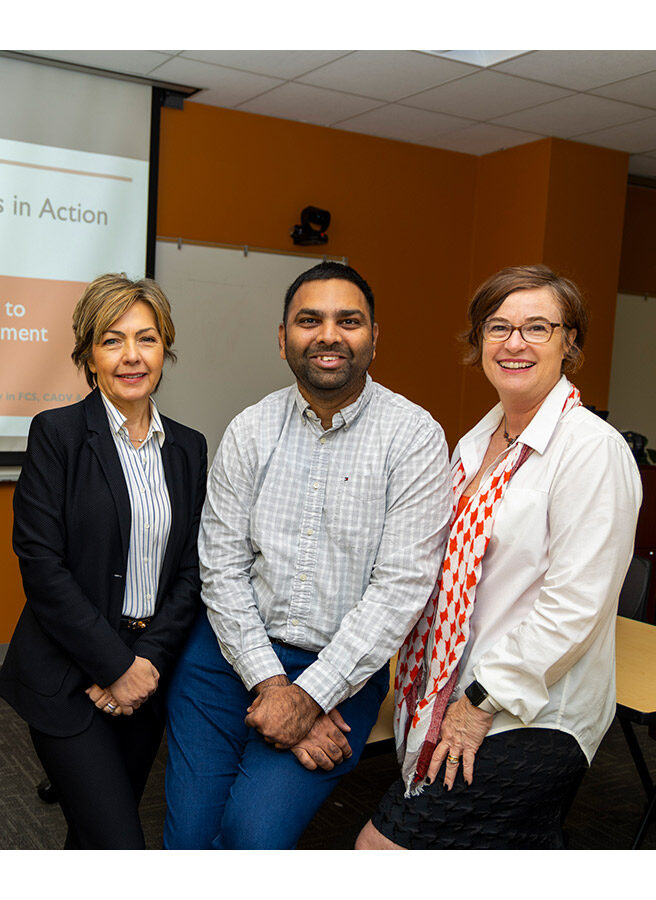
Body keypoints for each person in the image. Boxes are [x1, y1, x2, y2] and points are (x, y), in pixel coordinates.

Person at [162, 261, 452, 849]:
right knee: (188, 840)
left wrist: (312, 694)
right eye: (308, 320)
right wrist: (273, 686)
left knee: (252, 839)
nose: (328, 335)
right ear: (283, 338)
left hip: (341, 675)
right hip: (223, 659)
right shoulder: (250, 429)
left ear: (374, 336)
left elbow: (399, 589)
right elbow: (220, 567)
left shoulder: (414, 435)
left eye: (349, 320)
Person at [357, 265, 642, 850]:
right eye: (498, 327)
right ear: (478, 342)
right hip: (458, 690)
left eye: (538, 327)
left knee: (380, 851)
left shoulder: (591, 451)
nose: (515, 343)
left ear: (571, 342)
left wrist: (481, 702)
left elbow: (575, 607)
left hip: (526, 714)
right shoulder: (473, 443)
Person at [0, 273, 207, 850]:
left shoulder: (188, 447)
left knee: (92, 838)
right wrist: (115, 666)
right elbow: (42, 568)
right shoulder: (57, 435)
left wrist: (145, 664)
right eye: (112, 340)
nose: (131, 356)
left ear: (166, 347)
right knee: (120, 845)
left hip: (148, 673)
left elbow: (191, 571)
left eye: (147, 338)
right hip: (70, 677)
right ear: (88, 355)